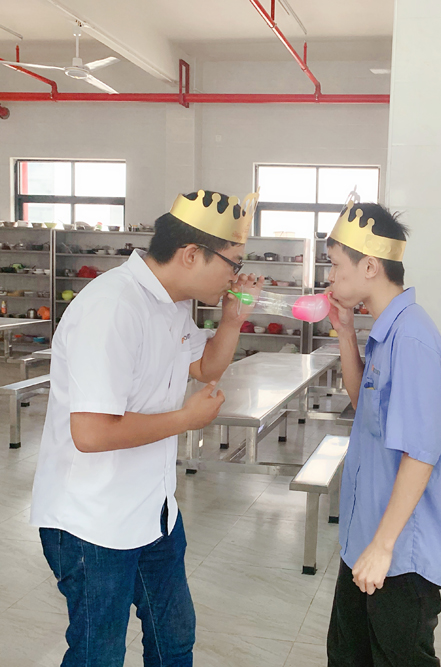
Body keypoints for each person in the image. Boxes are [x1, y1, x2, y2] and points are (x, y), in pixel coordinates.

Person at [30, 189, 264, 666]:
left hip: (153, 511)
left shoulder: (172, 302)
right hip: (92, 521)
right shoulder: (113, 307)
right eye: (233, 263)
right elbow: (91, 433)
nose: (235, 275)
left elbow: (205, 366)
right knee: (98, 655)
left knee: (173, 640)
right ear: (191, 254)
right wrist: (186, 420)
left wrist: (234, 317)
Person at [324, 199, 441, 666]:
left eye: (335, 264)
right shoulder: (387, 329)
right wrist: (346, 332)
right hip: (366, 539)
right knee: (347, 656)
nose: (329, 276)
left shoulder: (412, 338)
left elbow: (421, 452)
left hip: (399, 556)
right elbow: (364, 402)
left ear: (369, 266)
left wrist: (383, 548)